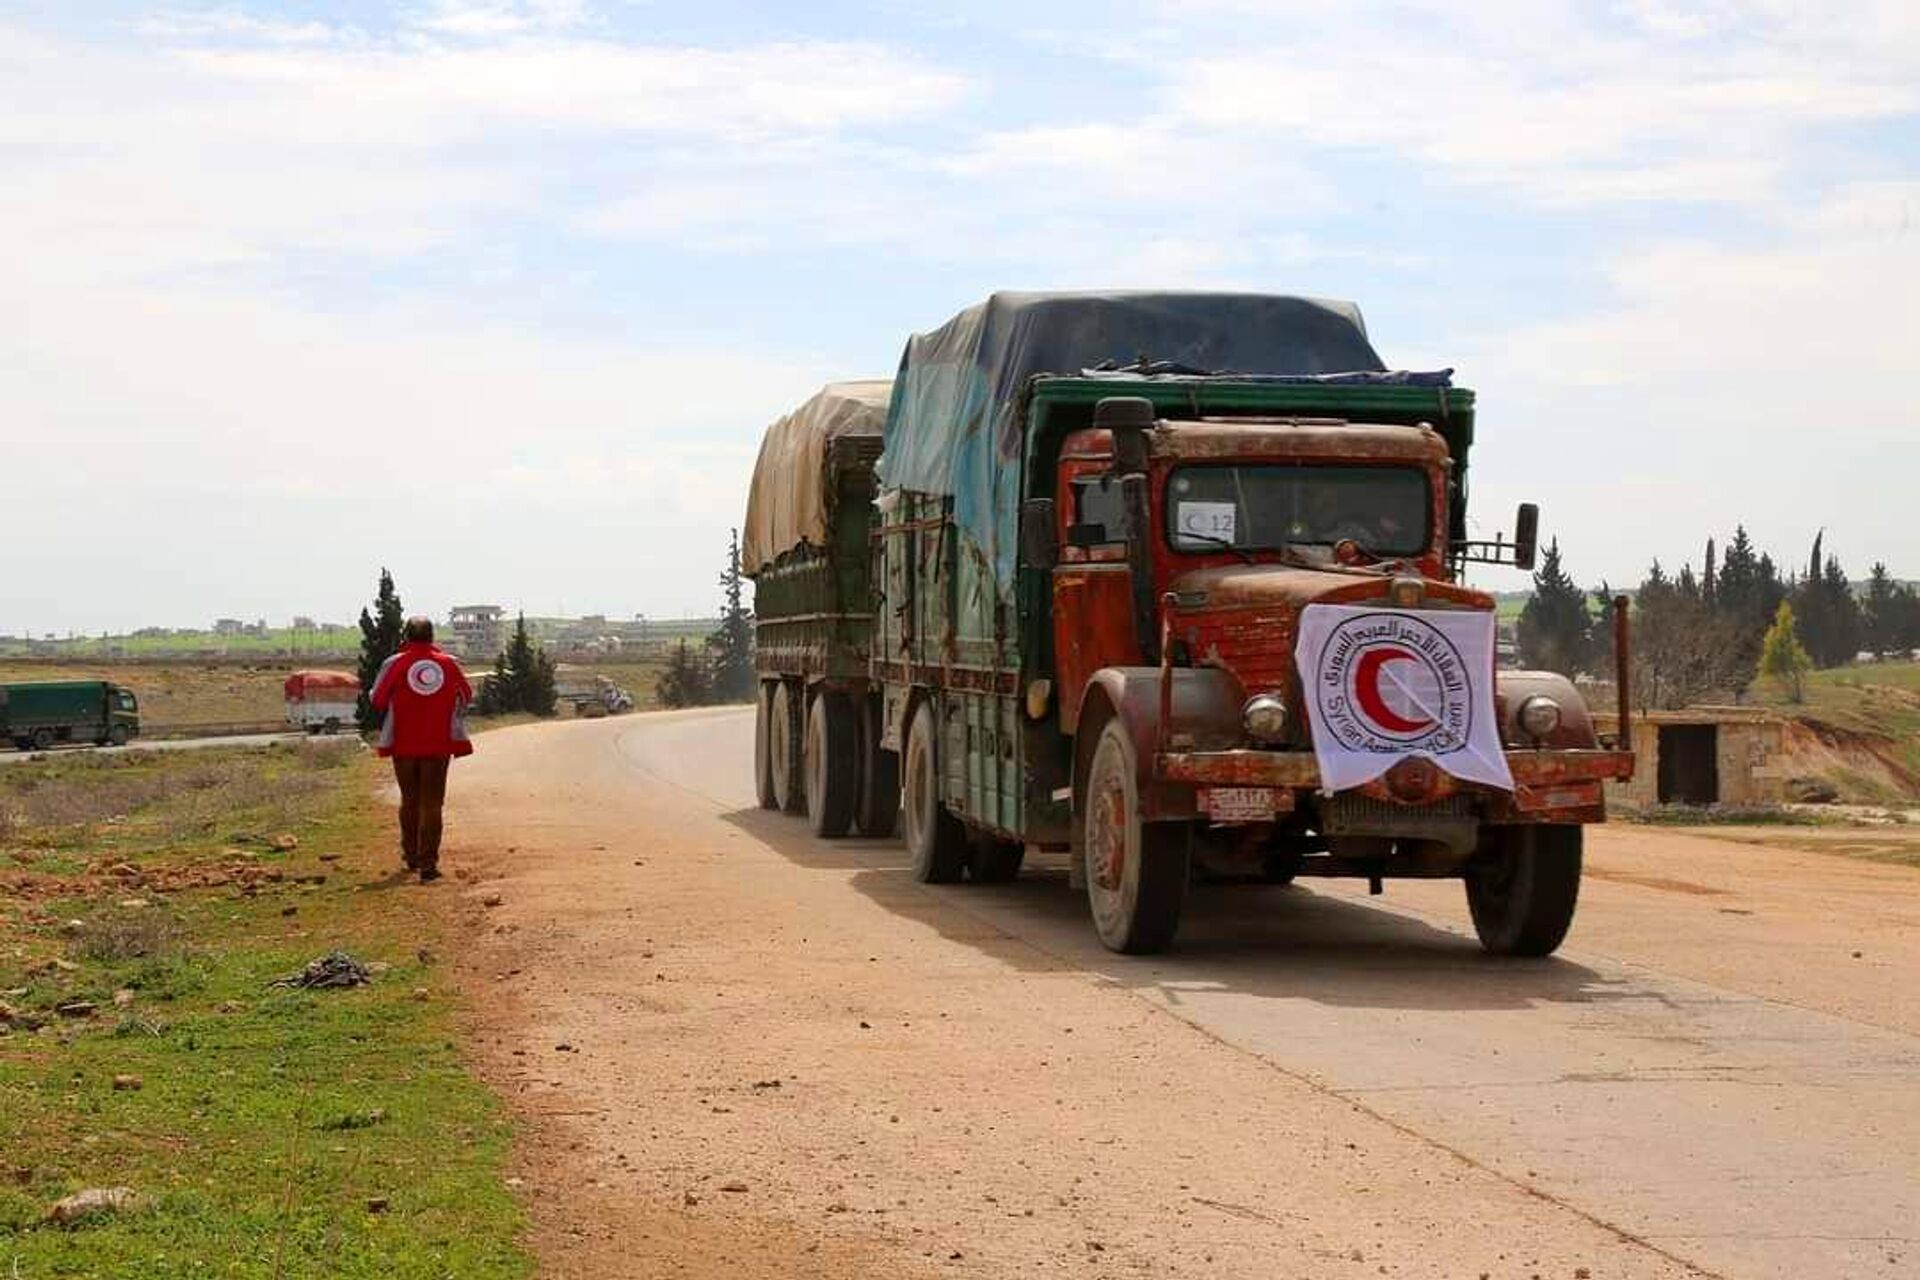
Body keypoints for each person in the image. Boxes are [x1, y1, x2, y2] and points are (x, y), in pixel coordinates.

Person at [369, 617, 473, 882]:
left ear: (406, 636)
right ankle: (429, 865)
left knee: (410, 801)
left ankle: (411, 856)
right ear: (432, 636)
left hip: (404, 744)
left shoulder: (395, 663)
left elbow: (378, 699)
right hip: (438, 745)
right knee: (433, 804)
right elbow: (466, 695)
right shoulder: (448, 664)